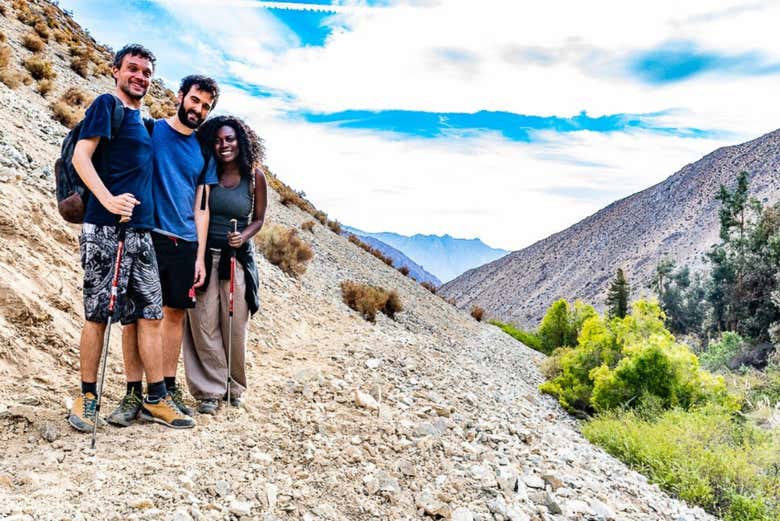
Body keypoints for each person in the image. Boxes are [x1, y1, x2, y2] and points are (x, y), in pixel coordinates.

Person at [68, 44, 194, 431]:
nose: (140, 76)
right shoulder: (107, 104)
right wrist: (107, 198)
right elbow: (80, 156)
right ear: (116, 71)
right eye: (133, 69)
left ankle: (155, 398)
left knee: (150, 314)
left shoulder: (144, 120)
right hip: (106, 229)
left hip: (141, 232)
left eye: (147, 72)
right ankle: (87, 398)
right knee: (98, 315)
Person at [107, 75, 220, 427]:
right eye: (195, 100)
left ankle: (166, 391)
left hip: (185, 243)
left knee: (174, 316)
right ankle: (133, 393)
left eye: (206, 106)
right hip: (146, 234)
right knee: (135, 317)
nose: (198, 109)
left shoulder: (203, 151)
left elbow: (203, 207)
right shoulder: (151, 130)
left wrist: (200, 255)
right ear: (180, 96)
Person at [182, 116, 267, 414]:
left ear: (240, 141)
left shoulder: (255, 177)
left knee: (234, 326)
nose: (223, 145)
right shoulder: (207, 171)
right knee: (202, 323)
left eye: (229, 139)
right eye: (218, 140)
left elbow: (258, 218)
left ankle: (234, 385)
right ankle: (209, 390)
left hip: (236, 260)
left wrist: (242, 236)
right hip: (205, 256)